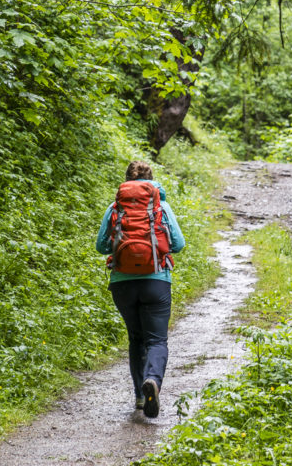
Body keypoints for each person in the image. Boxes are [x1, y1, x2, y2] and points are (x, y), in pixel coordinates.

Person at [95, 160, 185, 418]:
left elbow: (101, 247)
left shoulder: (115, 207)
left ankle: (139, 396)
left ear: (126, 182)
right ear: (151, 181)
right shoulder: (161, 207)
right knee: (156, 339)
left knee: (136, 339)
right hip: (156, 281)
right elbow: (178, 244)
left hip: (122, 284)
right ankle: (153, 381)